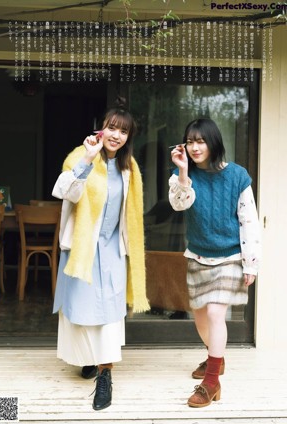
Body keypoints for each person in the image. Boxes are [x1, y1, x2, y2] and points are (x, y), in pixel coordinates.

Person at [52, 97, 149, 411]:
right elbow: (65, 191)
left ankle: (105, 375)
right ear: (101, 129)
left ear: (128, 138)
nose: (116, 135)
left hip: (111, 250)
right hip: (82, 249)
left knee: (109, 313)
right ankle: (88, 359)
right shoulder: (80, 156)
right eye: (112, 127)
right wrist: (87, 158)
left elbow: (129, 213)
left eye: (123, 131)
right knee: (81, 310)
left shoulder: (129, 168)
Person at [169, 118, 261, 408]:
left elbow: (249, 221)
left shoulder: (237, 176)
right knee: (200, 318)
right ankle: (215, 358)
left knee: (215, 315)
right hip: (198, 255)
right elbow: (179, 204)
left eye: (201, 141)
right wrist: (183, 172)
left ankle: (210, 381)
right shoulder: (182, 175)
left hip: (230, 256)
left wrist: (251, 264)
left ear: (213, 142)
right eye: (190, 141)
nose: (195, 147)